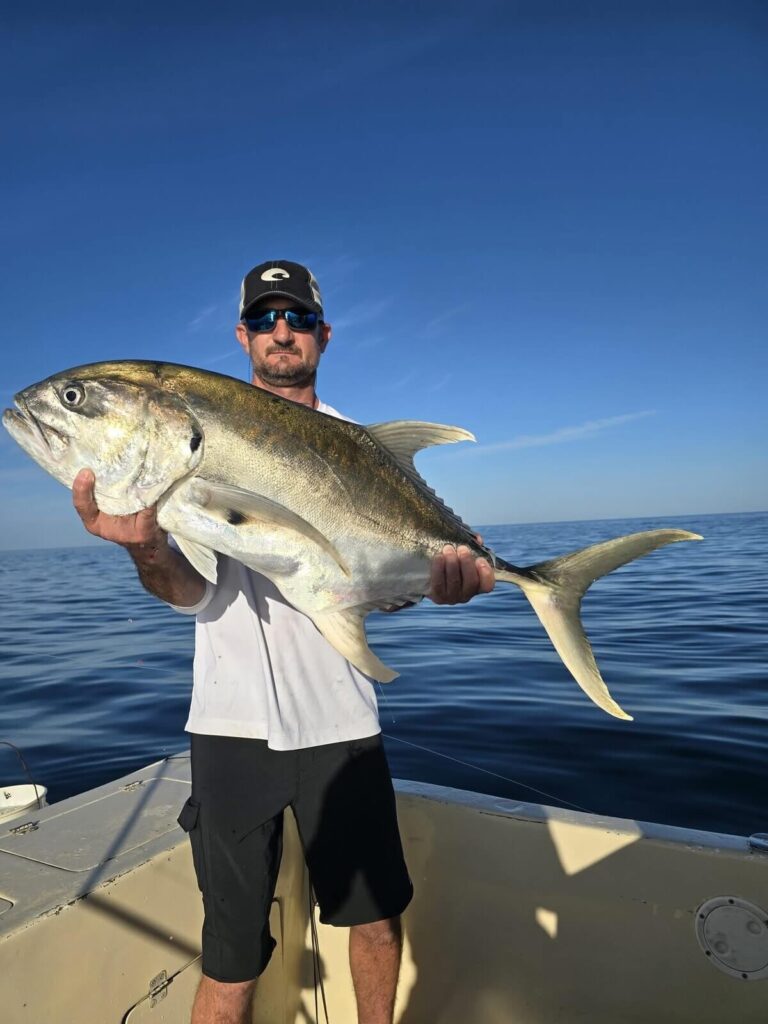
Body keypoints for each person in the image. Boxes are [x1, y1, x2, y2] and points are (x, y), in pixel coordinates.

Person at [72, 259, 494, 1024]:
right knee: (229, 954)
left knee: (374, 922)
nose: (282, 333)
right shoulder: (194, 444)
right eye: (266, 319)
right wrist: (145, 548)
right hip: (229, 729)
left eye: (297, 318)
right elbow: (193, 592)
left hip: (344, 723)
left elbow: (374, 579)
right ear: (242, 335)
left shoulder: (358, 445)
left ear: (323, 335)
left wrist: (436, 581)